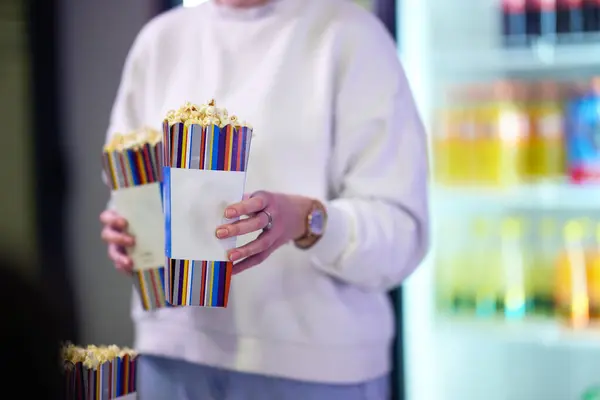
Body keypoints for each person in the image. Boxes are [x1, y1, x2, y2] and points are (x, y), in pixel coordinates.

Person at [99, 0, 429, 398]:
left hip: (316, 368)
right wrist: (127, 231)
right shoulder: (161, 41)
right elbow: (128, 179)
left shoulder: (349, 35)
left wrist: (307, 221)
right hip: (171, 355)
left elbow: (401, 231)